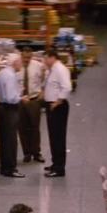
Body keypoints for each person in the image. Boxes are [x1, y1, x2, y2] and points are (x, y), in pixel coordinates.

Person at [42, 50, 72, 178]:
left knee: (58, 137)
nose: (44, 61)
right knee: (53, 137)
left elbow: (67, 87)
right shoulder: (52, 70)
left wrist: (57, 102)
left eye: (46, 59)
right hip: (52, 106)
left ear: (52, 57)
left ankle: (59, 168)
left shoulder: (60, 69)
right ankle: (55, 163)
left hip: (58, 107)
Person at [0, 54, 24, 178]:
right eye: (20, 61)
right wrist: (21, 98)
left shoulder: (1, 73)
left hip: (1, 107)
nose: (21, 64)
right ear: (14, 62)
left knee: (4, 139)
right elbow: (11, 97)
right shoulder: (11, 76)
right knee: (11, 139)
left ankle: (4, 168)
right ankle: (11, 169)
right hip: (10, 109)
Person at [18, 47, 45, 164]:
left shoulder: (38, 66)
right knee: (22, 127)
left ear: (32, 56)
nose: (26, 60)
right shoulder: (16, 66)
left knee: (35, 127)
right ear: (21, 56)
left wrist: (43, 91)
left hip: (34, 99)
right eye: (25, 57)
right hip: (20, 100)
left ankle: (36, 153)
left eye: (29, 58)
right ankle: (27, 153)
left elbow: (45, 78)